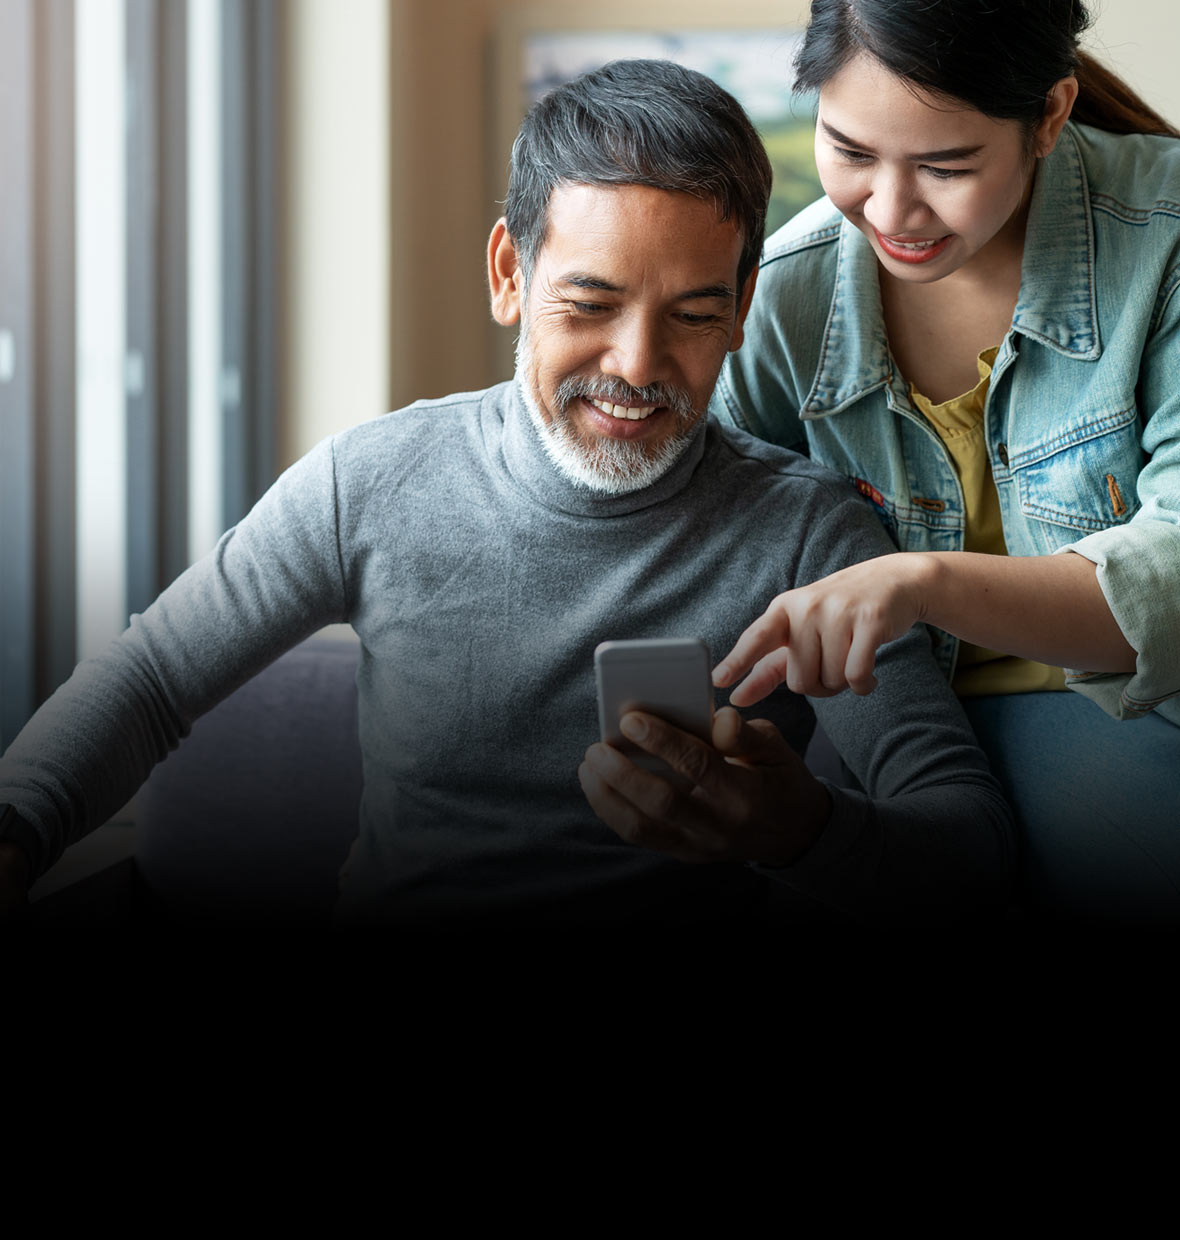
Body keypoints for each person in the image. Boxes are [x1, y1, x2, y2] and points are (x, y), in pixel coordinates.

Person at [0, 59, 1013, 930]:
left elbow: (968, 850)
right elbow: (151, 680)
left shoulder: (809, 532)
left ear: (744, 307)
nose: (636, 364)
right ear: (508, 274)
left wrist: (801, 832)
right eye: (591, 302)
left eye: (693, 315)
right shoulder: (373, 480)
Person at [708, 1, 1180, 924]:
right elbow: (701, 530)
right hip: (896, 732)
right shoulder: (785, 298)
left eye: (945, 165)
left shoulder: (1164, 238)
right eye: (848, 152)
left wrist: (919, 582)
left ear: (1050, 114)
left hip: (1135, 708)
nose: (890, 211)